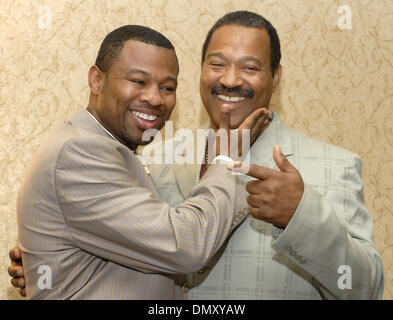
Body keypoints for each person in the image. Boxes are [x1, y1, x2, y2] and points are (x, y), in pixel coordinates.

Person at [10, 11, 384, 300]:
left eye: (250, 67)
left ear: (276, 76)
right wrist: (59, 262)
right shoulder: (158, 155)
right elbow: (148, 240)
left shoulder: (334, 164)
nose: (231, 79)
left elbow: (366, 287)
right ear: (202, 71)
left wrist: (304, 216)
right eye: (217, 64)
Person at [8, 24, 271, 299]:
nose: (155, 98)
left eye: (167, 87)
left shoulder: (118, 151)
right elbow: (185, 246)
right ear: (97, 80)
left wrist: (47, 267)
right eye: (138, 81)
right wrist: (227, 158)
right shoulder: (80, 151)